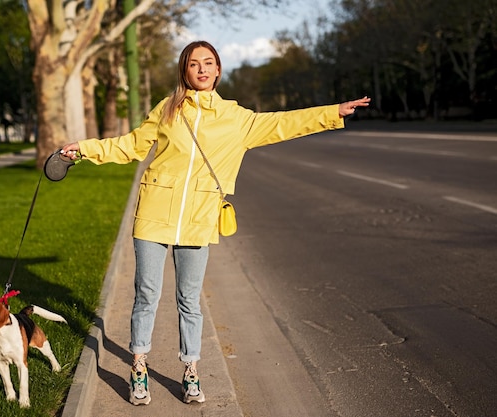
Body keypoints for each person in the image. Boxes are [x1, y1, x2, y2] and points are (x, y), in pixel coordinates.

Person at [60, 40, 370, 406]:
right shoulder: (167, 109)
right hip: (154, 214)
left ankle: (190, 371)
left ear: (219, 70)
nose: (202, 69)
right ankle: (139, 366)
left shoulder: (237, 119)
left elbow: (285, 123)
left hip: (198, 219)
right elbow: (131, 146)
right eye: (194, 64)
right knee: (146, 295)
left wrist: (333, 111)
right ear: (185, 71)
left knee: (189, 300)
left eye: (209, 63)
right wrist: (85, 149)